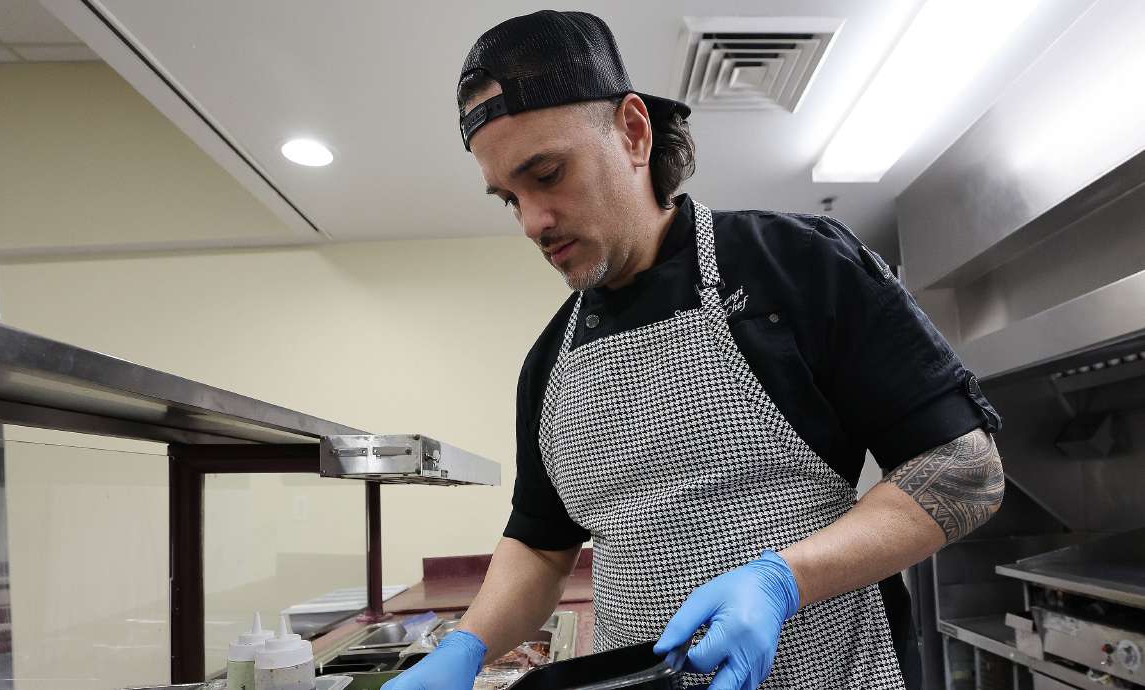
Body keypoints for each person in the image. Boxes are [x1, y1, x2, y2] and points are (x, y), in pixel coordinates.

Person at [385, 10, 1004, 690]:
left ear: (632, 131)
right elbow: (539, 546)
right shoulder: (548, 365)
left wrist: (781, 582)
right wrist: (466, 646)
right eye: (509, 198)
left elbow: (962, 469)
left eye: (549, 173)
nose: (533, 221)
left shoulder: (795, 266)